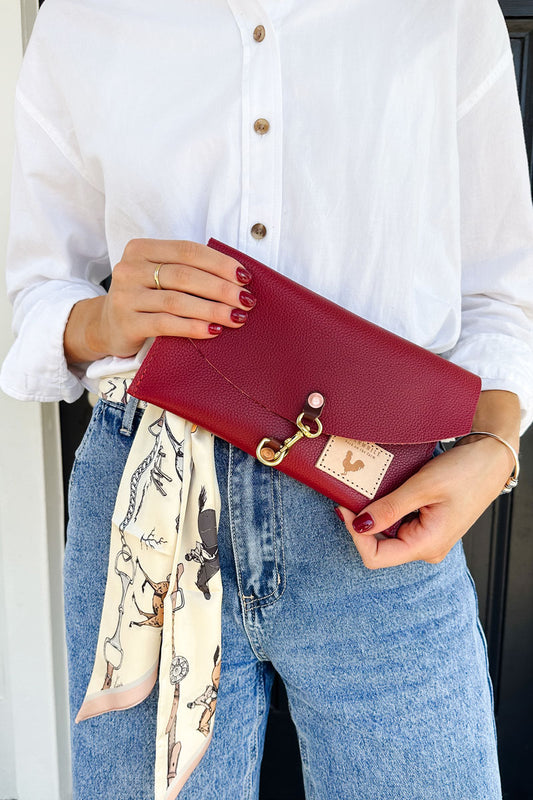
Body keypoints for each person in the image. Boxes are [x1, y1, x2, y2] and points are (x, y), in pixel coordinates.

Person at [1, 0, 532, 798]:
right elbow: (35, 290)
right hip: (152, 503)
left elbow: (499, 287)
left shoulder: (442, 13)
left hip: (378, 503)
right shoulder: (87, 18)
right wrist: (105, 318)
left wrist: (493, 447)